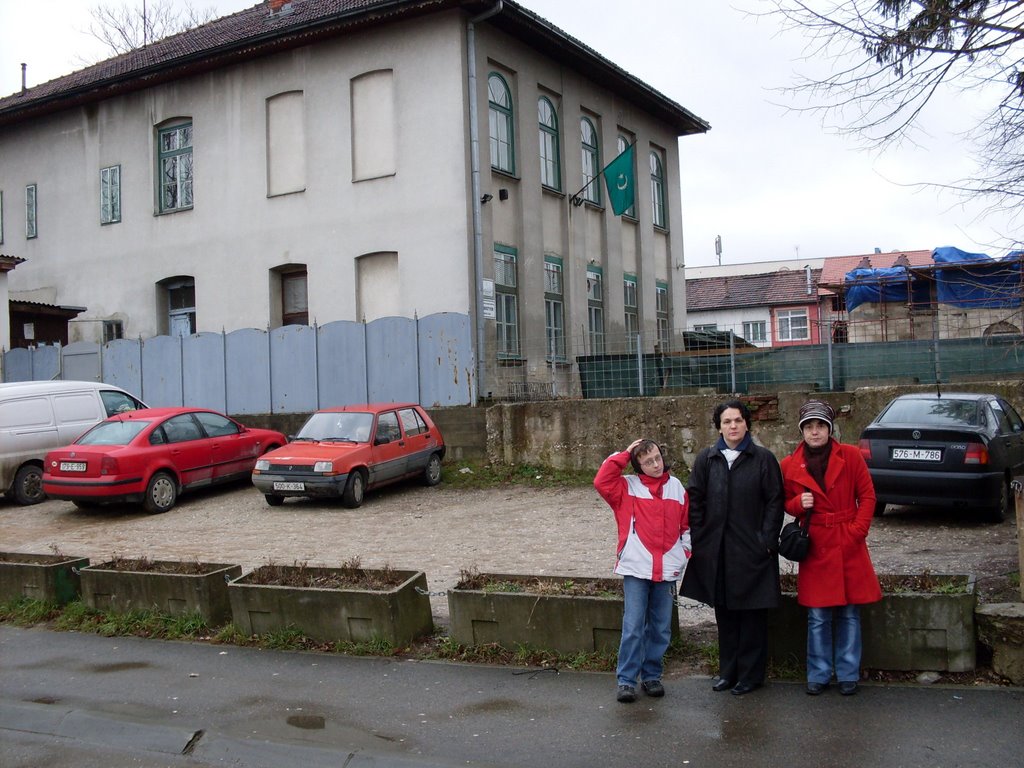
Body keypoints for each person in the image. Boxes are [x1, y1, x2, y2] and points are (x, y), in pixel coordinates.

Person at [679, 399, 784, 696]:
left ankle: (751, 675)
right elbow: (695, 500)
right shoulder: (707, 459)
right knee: (724, 615)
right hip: (718, 551)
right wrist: (700, 538)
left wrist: (766, 540)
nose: (733, 426)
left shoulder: (763, 459)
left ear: (747, 423)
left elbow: (775, 503)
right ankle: (728, 672)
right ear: (719, 426)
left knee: (751, 616)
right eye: (727, 421)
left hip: (753, 551)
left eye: (738, 420)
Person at [780, 399, 882, 696]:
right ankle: (819, 673)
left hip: (848, 541)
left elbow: (868, 496)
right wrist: (799, 504)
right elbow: (785, 502)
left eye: (820, 426)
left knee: (850, 612)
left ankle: (848, 672)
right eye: (809, 427)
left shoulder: (850, 456)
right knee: (818, 616)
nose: (815, 432)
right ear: (802, 431)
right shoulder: (789, 465)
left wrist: (857, 532)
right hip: (816, 545)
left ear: (829, 428)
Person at [594, 438, 691, 704]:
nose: (656, 464)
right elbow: (601, 480)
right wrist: (625, 453)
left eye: (657, 458)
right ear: (637, 465)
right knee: (634, 626)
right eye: (647, 461)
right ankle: (626, 680)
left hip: (667, 569)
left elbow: (686, 527)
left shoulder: (676, 487)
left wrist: (683, 553)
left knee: (660, 628)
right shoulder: (626, 487)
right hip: (636, 568)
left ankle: (651, 675)